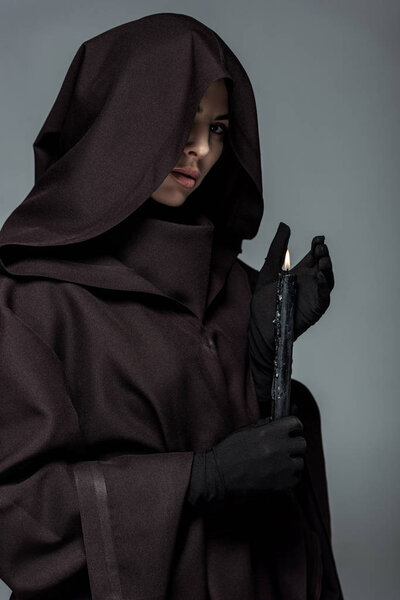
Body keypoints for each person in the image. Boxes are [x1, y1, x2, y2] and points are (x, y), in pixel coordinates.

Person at [0, 13, 343, 600]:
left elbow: (268, 470)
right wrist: (197, 480)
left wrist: (268, 370)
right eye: (183, 121)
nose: (202, 149)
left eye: (219, 127)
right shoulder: (31, 298)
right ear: (121, 117)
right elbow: (20, 514)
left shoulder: (237, 285)